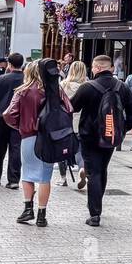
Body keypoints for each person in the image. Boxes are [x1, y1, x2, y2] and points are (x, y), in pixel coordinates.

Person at [70, 54, 132, 227]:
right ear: (111, 68)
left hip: (89, 136)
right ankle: (97, 204)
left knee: (93, 172)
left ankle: (94, 214)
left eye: (93, 67)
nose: (92, 70)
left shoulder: (87, 87)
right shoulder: (122, 87)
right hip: (111, 136)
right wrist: (123, 130)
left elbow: (72, 107)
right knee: (102, 168)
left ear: (98, 68)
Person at [3, 59, 72, 227]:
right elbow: (69, 109)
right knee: (44, 177)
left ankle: (28, 208)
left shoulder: (23, 91)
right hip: (49, 138)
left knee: (27, 174)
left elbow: (9, 114)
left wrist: (20, 126)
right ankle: (42, 214)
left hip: (28, 137)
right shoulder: (56, 91)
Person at [0, 52, 24, 188]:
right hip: (19, 118)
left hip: (2, 116)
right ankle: (14, 179)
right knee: (16, 148)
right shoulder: (25, 79)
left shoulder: (2, 79)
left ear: (9, 64)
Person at [60, 59, 88, 188]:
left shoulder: (63, 85)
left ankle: (63, 178)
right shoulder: (87, 86)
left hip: (65, 122)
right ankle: (81, 168)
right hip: (81, 123)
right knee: (79, 150)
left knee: (62, 151)